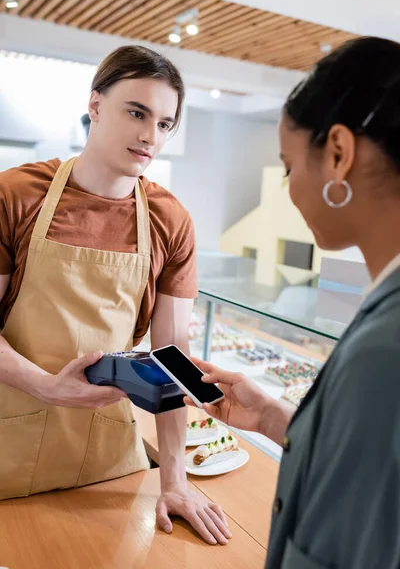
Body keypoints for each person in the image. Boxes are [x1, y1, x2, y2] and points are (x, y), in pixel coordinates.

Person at [0, 45, 231, 546]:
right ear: (96, 105)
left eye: (166, 123)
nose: (152, 135)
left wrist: (174, 480)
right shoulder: (16, 195)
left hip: (107, 460)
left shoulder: (170, 221)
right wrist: (46, 386)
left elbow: (174, 358)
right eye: (137, 112)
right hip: (6, 445)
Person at [185, 36, 400, 567]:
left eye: (288, 166)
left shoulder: (385, 347)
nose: (288, 188)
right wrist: (277, 420)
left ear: (339, 153)